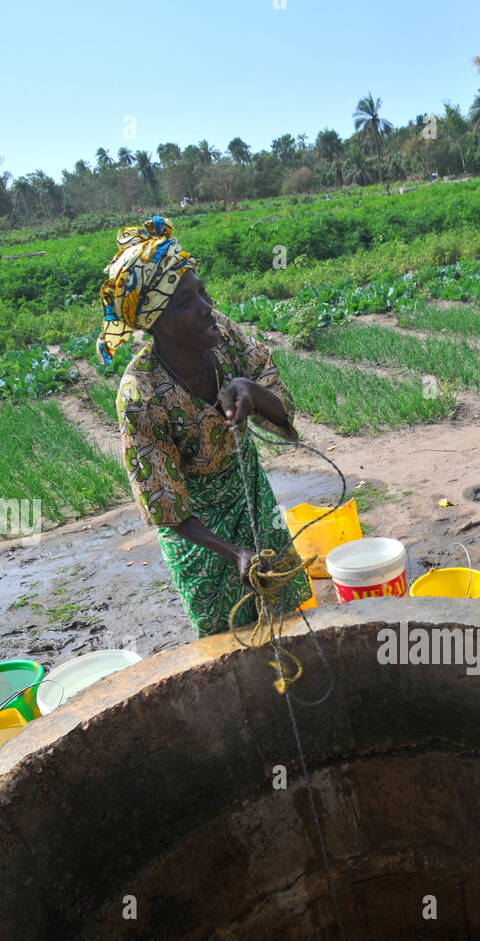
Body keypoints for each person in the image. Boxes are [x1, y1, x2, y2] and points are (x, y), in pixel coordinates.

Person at [98, 215, 312, 638]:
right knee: (227, 642)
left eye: (201, 291)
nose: (206, 307)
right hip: (199, 533)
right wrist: (234, 554)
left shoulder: (225, 336)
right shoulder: (142, 396)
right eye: (186, 302)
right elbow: (166, 508)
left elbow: (286, 418)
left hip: (250, 491)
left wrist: (252, 390)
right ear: (155, 320)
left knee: (286, 619)